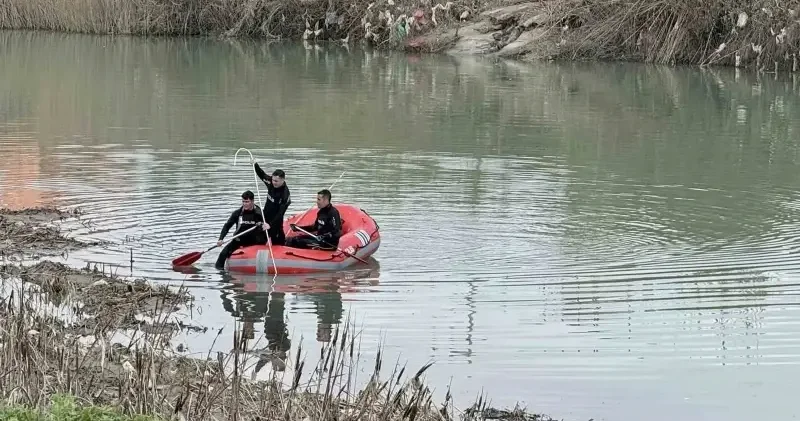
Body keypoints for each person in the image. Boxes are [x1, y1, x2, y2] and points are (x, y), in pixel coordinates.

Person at [215, 190, 268, 270]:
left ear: (252, 201)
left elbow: (268, 226)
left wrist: (263, 225)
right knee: (223, 254)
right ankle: (220, 272)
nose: (244, 204)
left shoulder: (260, 214)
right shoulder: (237, 213)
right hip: (240, 239)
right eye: (243, 201)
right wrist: (221, 238)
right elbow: (227, 226)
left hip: (255, 240)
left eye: (247, 202)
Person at [252, 161, 291, 246]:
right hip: (265, 216)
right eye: (273, 180)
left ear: (283, 180)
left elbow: (280, 213)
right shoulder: (270, 182)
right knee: (258, 240)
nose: (273, 182)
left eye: (276, 181)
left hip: (276, 221)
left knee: (278, 243)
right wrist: (255, 165)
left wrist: (270, 225)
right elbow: (261, 174)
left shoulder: (285, 195)